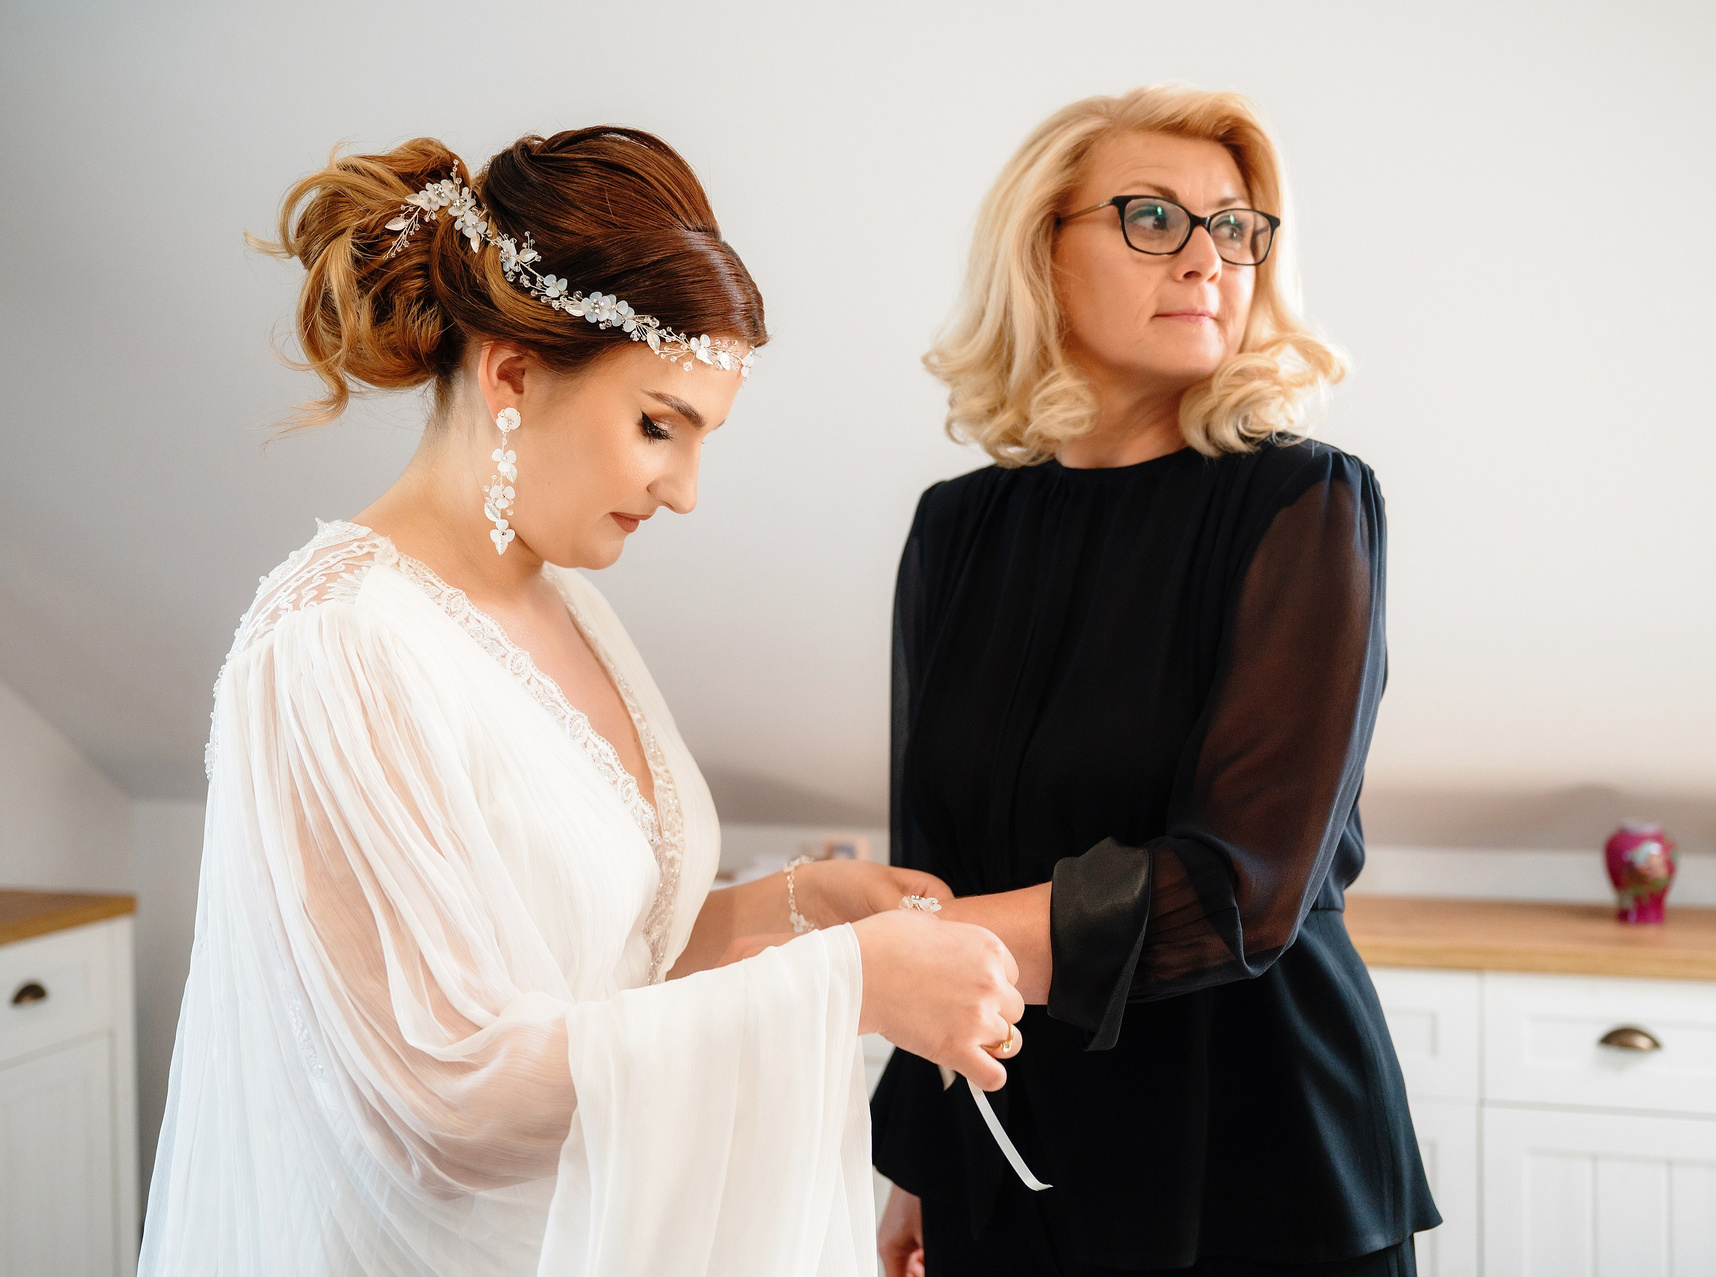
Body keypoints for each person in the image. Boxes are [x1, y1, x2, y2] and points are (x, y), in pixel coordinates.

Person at [140, 126, 1026, 1277]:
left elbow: (604, 963)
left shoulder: (568, 602)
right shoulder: (337, 646)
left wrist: (797, 903)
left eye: (702, 439)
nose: (686, 490)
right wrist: (846, 981)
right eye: (659, 425)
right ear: (511, 373)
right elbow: (445, 1101)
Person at [871, 87, 1439, 1276]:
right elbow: (933, 855)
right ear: (1041, 251)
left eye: (1233, 226)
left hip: (1255, 1160)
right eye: (1151, 217)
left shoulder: (1305, 502)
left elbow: (1238, 887)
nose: (1205, 258)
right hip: (1008, 1151)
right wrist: (920, 1153)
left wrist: (865, 957)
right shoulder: (955, 529)